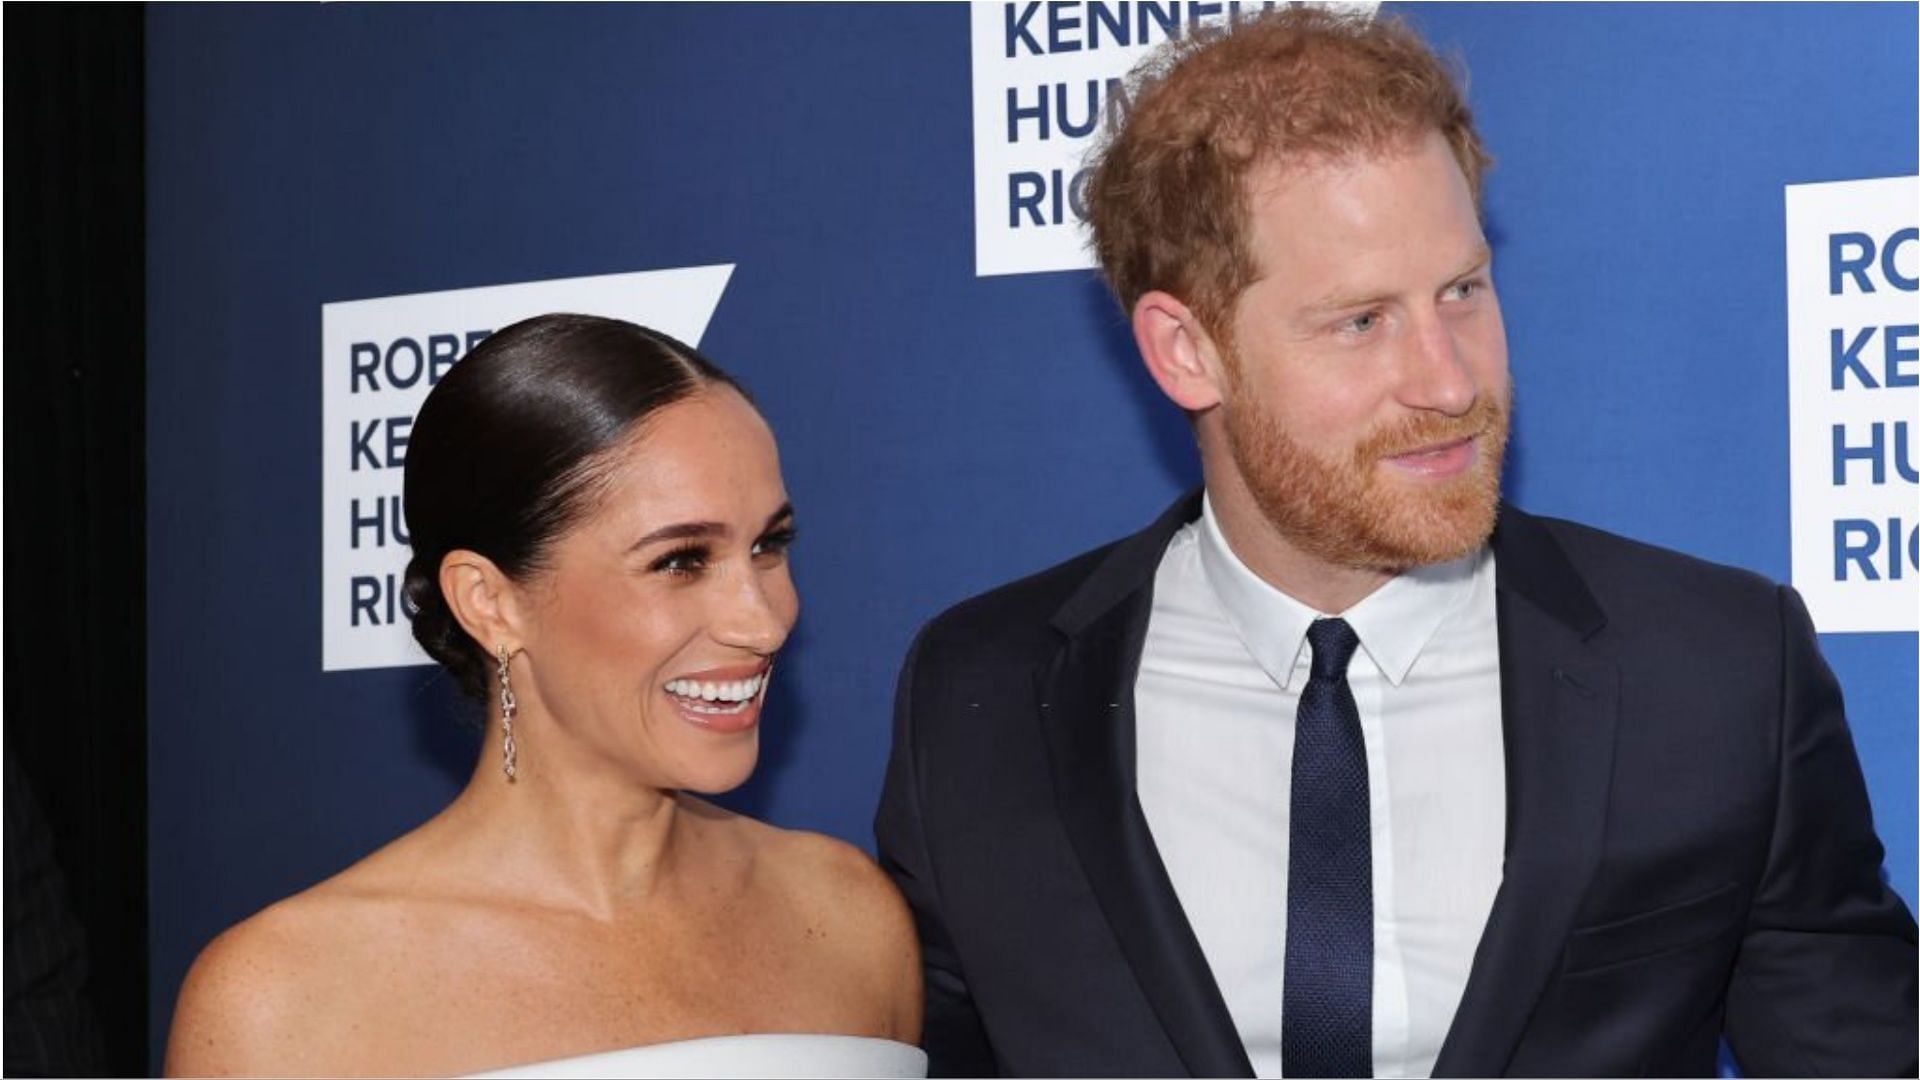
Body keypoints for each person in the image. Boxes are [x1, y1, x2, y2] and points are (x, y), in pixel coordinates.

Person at [875, 9, 1917, 1078]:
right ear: (1187, 351)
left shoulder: (1715, 671)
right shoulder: (981, 703)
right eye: (1362, 321)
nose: (1451, 382)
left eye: (1462, 292)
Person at [167, 315, 924, 1078]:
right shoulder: (286, 998)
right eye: (681, 561)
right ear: (490, 602)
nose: (761, 621)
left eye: (768, 546)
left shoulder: (847, 918)